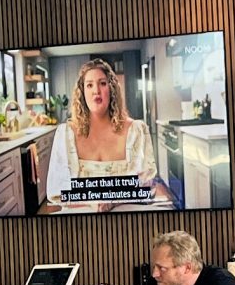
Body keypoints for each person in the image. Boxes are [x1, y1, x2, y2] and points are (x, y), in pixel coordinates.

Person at [41, 55, 158, 210]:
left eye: (102, 83)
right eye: (89, 85)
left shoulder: (136, 130)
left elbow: (147, 185)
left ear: (112, 89)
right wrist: (91, 201)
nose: (96, 91)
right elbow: (56, 191)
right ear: (82, 92)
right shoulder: (66, 134)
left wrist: (112, 201)